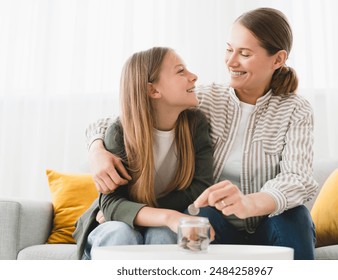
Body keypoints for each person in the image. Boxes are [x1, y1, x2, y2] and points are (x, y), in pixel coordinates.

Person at [85, 7, 318, 260]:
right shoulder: (204, 100)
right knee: (199, 214)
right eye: (229, 49)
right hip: (215, 222)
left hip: (267, 220)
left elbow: (297, 178)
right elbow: (130, 115)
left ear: (277, 59)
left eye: (245, 54)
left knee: (297, 215)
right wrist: (97, 149)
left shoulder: (296, 109)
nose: (231, 61)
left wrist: (249, 204)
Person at [73, 47, 214, 260]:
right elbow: (111, 204)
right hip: (111, 224)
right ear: (153, 90)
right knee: (120, 232)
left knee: (165, 233)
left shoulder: (196, 126)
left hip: (151, 220)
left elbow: (200, 187)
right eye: (180, 71)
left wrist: (149, 215)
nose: (193, 77)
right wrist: (167, 215)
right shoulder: (120, 132)